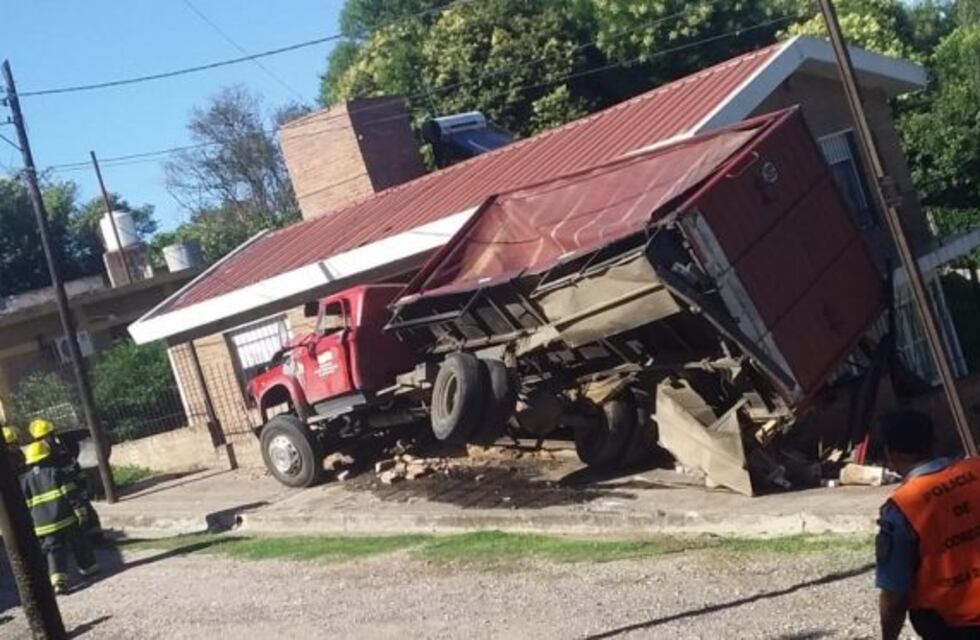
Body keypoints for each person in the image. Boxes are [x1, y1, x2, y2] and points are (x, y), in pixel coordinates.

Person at [875, 410, 980, 639]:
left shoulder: (903, 507)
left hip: (954, 625)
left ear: (891, 454)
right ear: (933, 442)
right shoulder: (976, 469)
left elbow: (894, 594)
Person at [19, 440, 100, 594]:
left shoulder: (25, 480)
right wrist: (81, 512)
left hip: (43, 525)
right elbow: (71, 494)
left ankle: (58, 582)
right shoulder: (56, 472)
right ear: (46, 456)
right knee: (79, 543)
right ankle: (89, 568)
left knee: (53, 551)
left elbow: (27, 505)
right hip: (66, 519)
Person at [28, 418, 102, 542]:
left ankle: (96, 537)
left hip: (74, 486)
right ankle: (79, 539)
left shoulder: (62, 449)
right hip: (59, 492)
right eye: (41, 438)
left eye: (47, 436)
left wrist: (83, 485)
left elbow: (74, 466)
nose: (46, 440)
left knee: (87, 510)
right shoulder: (40, 455)